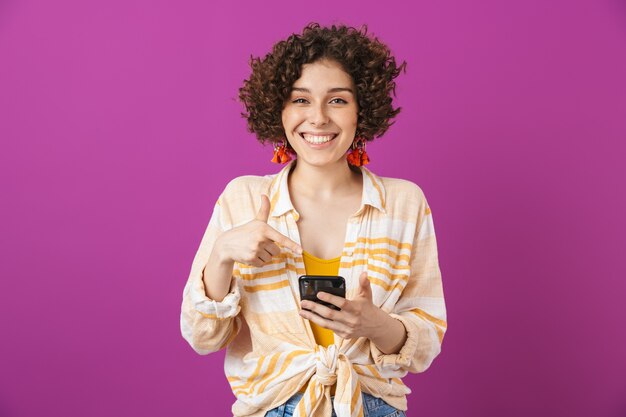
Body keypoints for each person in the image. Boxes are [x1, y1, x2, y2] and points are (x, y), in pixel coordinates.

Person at [180, 22, 447, 417]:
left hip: (371, 407)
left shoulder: (404, 203)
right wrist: (222, 254)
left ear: (362, 109)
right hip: (270, 407)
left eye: (337, 100)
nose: (318, 118)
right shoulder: (243, 198)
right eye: (300, 100)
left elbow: (425, 342)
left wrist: (376, 325)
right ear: (279, 110)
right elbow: (203, 337)